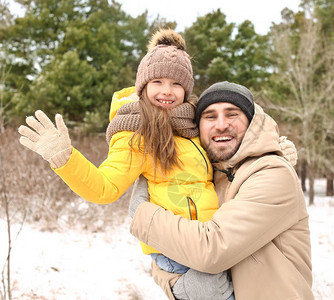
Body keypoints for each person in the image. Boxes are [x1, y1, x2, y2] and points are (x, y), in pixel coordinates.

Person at [18, 29, 234, 299]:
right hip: (178, 249)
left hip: (209, 241)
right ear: (143, 85)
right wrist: (65, 158)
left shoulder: (192, 124)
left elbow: (226, 159)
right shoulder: (138, 132)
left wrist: (271, 153)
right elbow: (104, 188)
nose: (167, 91)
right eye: (157, 81)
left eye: (176, 84)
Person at [128, 81, 314, 299]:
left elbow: (212, 248)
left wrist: (142, 214)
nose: (221, 125)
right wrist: (180, 287)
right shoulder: (206, 179)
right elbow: (167, 252)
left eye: (232, 114)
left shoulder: (273, 173)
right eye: (210, 116)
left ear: (252, 121)